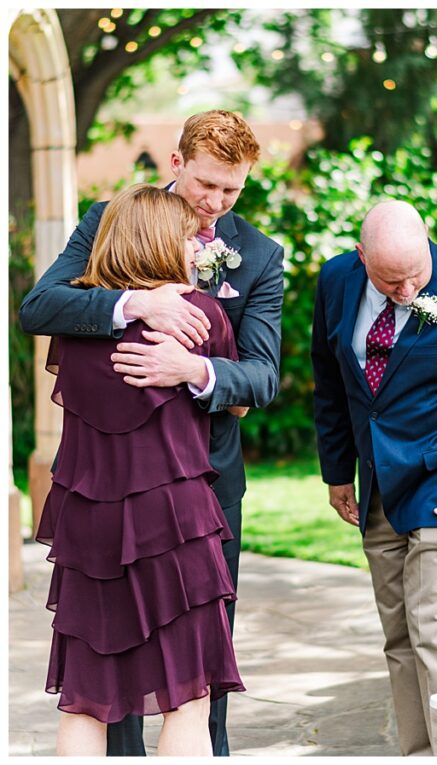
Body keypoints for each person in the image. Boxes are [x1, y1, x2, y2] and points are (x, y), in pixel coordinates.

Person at [20, 110, 284, 756]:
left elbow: (262, 375)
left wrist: (192, 369)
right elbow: (39, 305)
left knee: (192, 680)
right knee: (149, 688)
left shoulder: (260, 256)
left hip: (205, 489)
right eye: (206, 185)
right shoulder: (107, 220)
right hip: (136, 501)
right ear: (176, 163)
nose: (215, 205)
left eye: (232, 190)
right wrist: (135, 304)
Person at [36, 184, 244, 756]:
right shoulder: (201, 315)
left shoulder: (77, 328)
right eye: (187, 239)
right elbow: (239, 399)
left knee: (85, 699)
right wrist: (191, 367)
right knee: (188, 696)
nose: (196, 250)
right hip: (171, 525)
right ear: (159, 243)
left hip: (87, 527)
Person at [311, 200, 437, 755]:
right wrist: (337, 472)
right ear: (360, 256)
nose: (404, 291)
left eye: (414, 276)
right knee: (399, 638)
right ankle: (417, 754)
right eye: (390, 279)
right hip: (376, 487)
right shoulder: (335, 281)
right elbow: (330, 382)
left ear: (429, 241)